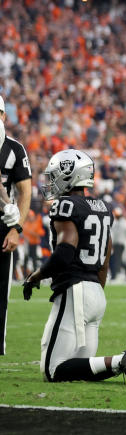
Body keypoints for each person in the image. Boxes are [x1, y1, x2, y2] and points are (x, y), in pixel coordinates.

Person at [21, 149, 126, 381]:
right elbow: (106, 256)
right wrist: (97, 290)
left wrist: (34, 277)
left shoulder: (66, 205)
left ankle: (124, 359)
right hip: (95, 293)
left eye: (55, 175)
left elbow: (64, 252)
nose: (51, 181)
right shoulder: (102, 207)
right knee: (80, 368)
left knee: (52, 370)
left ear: (70, 174)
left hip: (75, 292)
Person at [0, 107, 31, 356]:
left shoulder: (14, 149)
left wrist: (16, 228)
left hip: (2, 226)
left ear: (4, 117)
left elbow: (25, 191)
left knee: (1, 291)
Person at [109, 207, 126, 282]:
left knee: (121, 260)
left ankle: (125, 275)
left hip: (123, 244)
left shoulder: (125, 223)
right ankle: (115, 275)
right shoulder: (115, 223)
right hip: (116, 244)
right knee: (116, 260)